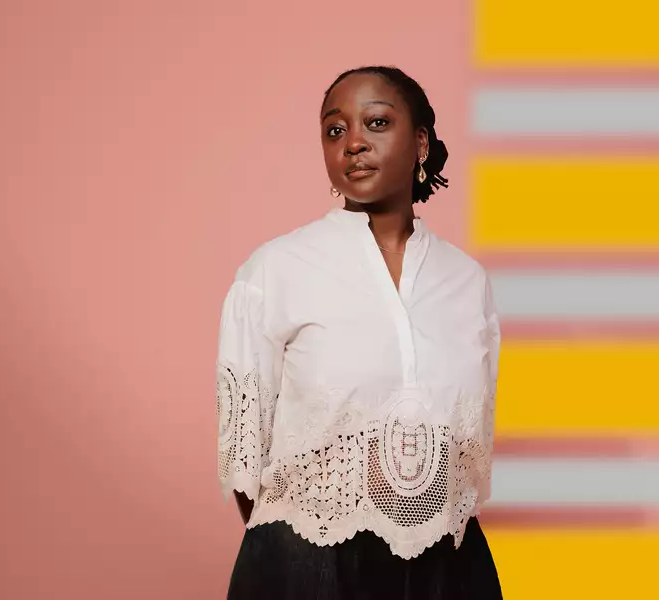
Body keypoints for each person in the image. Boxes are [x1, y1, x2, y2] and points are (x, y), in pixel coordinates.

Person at [215, 66, 502, 599]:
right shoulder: (275, 270)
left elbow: (470, 449)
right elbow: (244, 458)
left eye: (375, 123)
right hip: (308, 565)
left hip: (448, 567)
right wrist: (303, 558)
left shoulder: (468, 282)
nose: (352, 144)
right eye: (334, 130)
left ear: (420, 142)